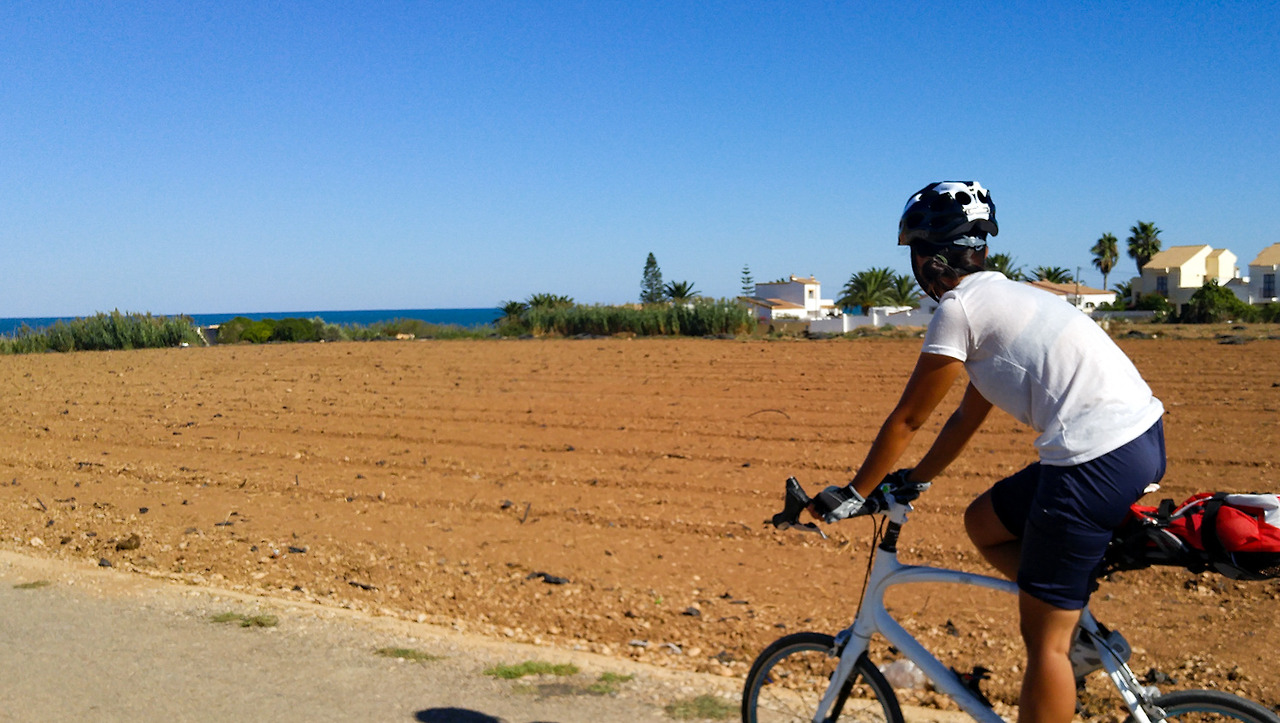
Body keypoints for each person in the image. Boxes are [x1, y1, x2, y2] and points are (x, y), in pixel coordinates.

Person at [810, 181, 1166, 723]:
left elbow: (908, 418)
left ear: (927, 256)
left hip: (1092, 461)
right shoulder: (1011, 298)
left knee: (1045, 644)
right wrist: (916, 478)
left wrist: (853, 494)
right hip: (1139, 441)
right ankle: (1075, 616)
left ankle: (1070, 637)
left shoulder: (960, 309)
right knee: (983, 522)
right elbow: (966, 417)